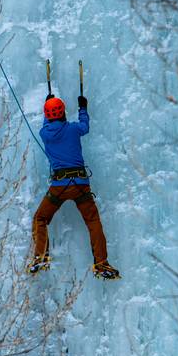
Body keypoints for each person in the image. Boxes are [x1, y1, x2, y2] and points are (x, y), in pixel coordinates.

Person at [29, 93, 120, 279]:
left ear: (47, 116)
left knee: (41, 218)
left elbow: (48, 125)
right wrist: (83, 108)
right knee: (93, 220)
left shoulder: (44, 134)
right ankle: (101, 263)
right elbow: (85, 126)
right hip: (80, 184)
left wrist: (47, 105)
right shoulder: (73, 129)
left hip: (59, 187)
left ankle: (40, 257)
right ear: (62, 113)